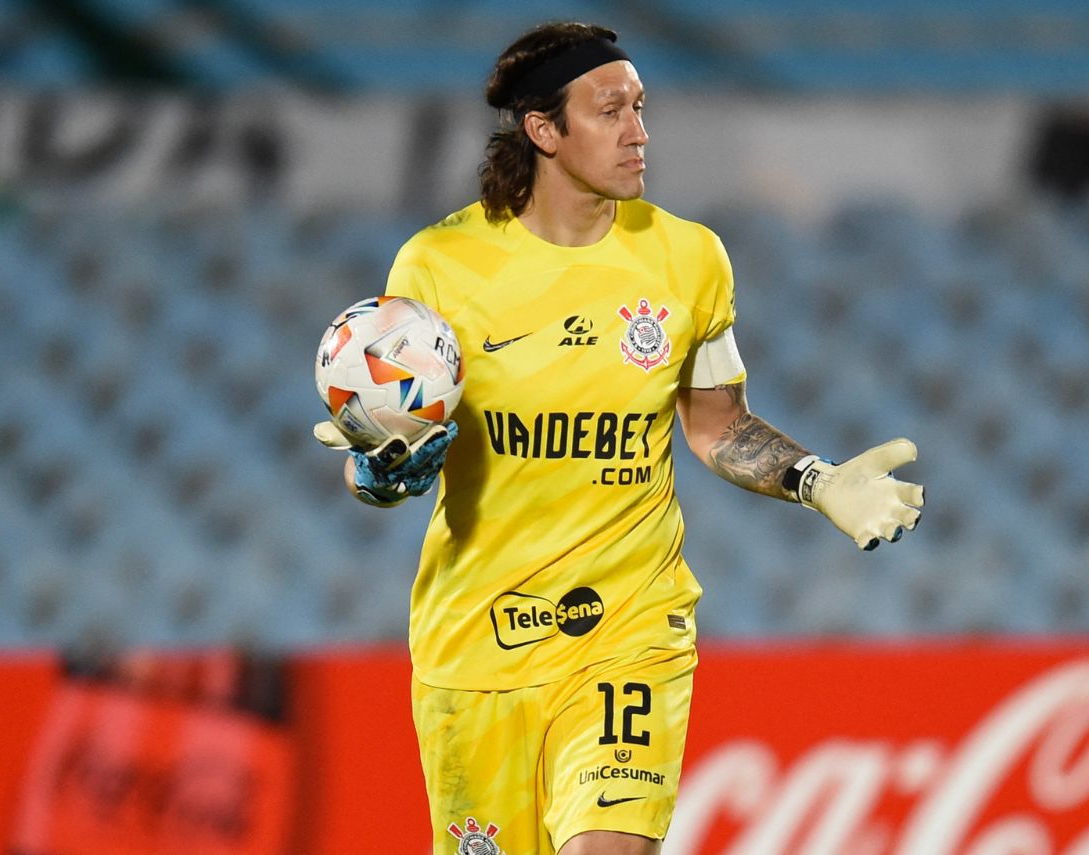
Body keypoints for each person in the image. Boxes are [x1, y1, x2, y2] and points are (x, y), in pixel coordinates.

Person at [317, 21, 924, 855]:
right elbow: (386, 449)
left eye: (641, 107)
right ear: (544, 130)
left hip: (627, 631)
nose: (639, 131)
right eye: (611, 111)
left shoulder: (689, 260)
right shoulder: (437, 267)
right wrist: (381, 476)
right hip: (476, 649)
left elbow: (717, 423)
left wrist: (817, 480)